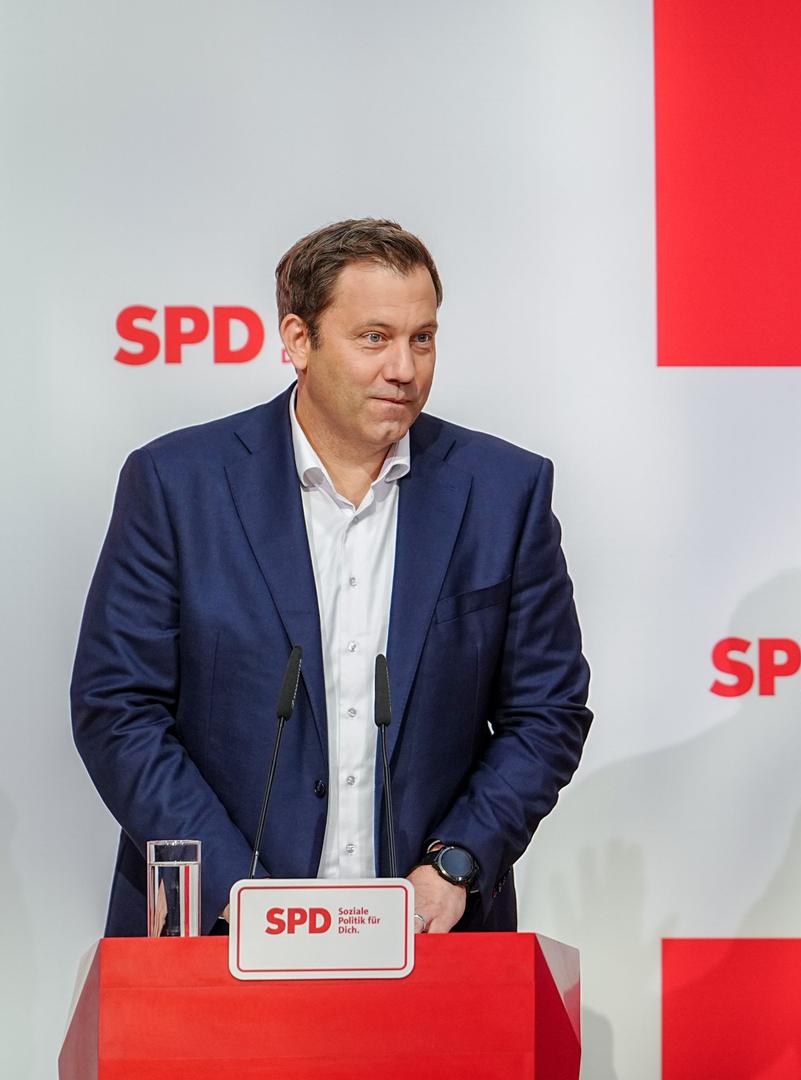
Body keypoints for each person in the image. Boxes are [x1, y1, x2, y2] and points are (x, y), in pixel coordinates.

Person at [72, 218, 592, 935]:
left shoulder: (505, 492)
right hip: (212, 938)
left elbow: (547, 712)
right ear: (297, 341)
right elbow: (117, 708)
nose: (405, 369)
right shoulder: (177, 484)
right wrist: (236, 892)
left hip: (430, 946)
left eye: (422, 338)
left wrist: (457, 865)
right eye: (373, 338)